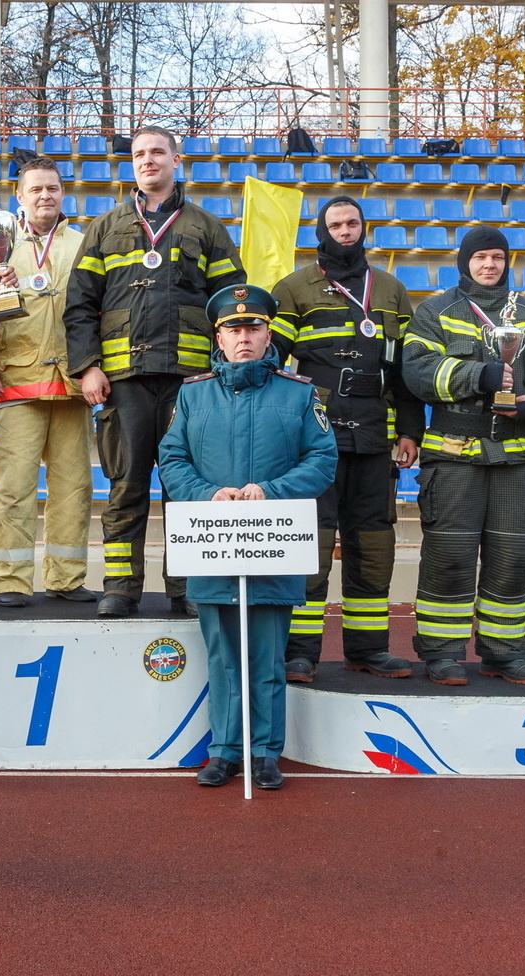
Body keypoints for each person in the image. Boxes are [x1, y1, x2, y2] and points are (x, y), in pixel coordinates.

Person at [158, 284, 339, 789]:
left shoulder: (300, 394)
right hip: (213, 543)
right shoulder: (192, 395)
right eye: (234, 329)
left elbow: (323, 459)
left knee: (266, 658)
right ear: (218, 335)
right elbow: (172, 459)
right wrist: (206, 494)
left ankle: (264, 753)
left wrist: (272, 490)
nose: (244, 337)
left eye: (253, 328)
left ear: (267, 334)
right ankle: (223, 749)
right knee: (221, 658)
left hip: (273, 545)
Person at [65, 125, 245, 618]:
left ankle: (185, 588)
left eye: (157, 153)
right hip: (123, 381)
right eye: (139, 154)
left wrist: (221, 375)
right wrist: (87, 367)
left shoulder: (206, 228)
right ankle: (120, 588)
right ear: (132, 164)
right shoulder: (104, 228)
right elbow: (79, 305)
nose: (148, 161)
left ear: (176, 159)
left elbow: (231, 309)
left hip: (191, 384)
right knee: (126, 485)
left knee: (186, 487)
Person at [401, 227, 525, 686]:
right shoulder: (436, 311)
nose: (490, 265)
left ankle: (504, 652)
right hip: (455, 458)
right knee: (448, 557)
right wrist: (481, 374)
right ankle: (442, 653)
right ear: (465, 262)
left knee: (513, 560)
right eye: (480, 257)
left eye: (497, 257)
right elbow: (417, 371)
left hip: (520, 459)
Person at [269, 196, 420, 682]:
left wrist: (412, 430)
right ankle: (300, 652)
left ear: (363, 227)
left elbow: (405, 371)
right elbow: (272, 361)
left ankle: (368, 649)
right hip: (314, 441)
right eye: (336, 224)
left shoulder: (392, 291)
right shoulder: (294, 288)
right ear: (322, 230)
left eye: (353, 222)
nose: (346, 231)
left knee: (373, 548)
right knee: (309, 548)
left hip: (376, 437)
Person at [0, 156, 95, 607]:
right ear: (19, 197)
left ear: (63, 193)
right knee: (13, 487)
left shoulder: (84, 243)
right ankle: (9, 581)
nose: (45, 196)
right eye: (35, 189)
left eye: (53, 188)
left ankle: (67, 577)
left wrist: (93, 366)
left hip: (72, 383)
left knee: (74, 487)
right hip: (14, 382)